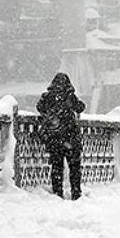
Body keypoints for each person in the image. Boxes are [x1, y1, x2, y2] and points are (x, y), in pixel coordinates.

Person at [36, 72, 86, 200]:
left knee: (57, 168)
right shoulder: (70, 97)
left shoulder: (48, 97)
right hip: (70, 138)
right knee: (74, 168)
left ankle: (58, 193)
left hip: (55, 138)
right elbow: (80, 108)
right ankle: (76, 192)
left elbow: (39, 107)